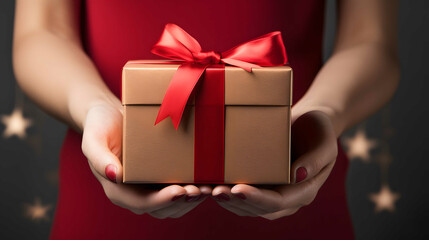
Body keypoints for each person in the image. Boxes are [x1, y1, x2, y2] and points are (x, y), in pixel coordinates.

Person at [12, 0, 399, 239]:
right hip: (103, 209)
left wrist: (322, 114)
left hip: (299, 177)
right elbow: (40, 31)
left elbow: (372, 41)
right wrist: (95, 108)